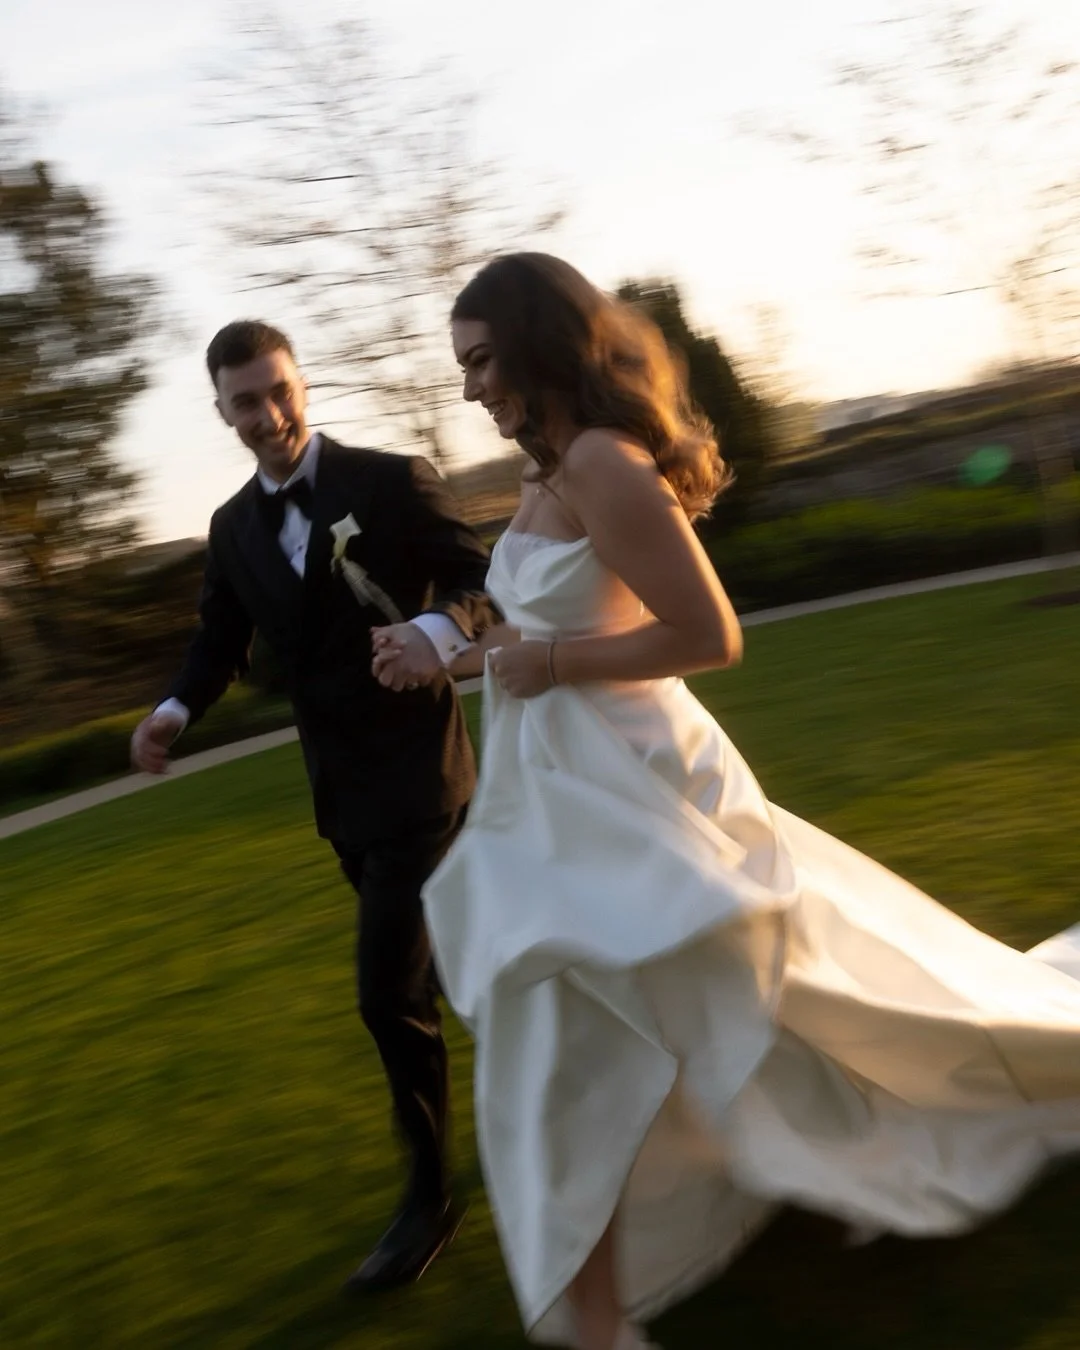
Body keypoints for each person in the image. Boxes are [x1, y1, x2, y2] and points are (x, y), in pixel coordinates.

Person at [378, 254, 1080, 1350]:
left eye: (477, 360)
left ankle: (610, 1308)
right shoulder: (541, 472)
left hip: (642, 788)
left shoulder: (609, 464)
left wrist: (551, 664)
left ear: (531, 346)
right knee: (569, 1017)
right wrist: (452, 659)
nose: (468, 385)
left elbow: (711, 636)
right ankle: (607, 1303)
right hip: (553, 790)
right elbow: (529, 633)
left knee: (743, 1002)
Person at [130, 320, 499, 1293]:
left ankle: (429, 1200)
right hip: (342, 800)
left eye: (280, 390)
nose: (270, 414)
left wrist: (431, 629)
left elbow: (477, 579)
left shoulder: (388, 481)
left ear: (302, 384)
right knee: (464, 973)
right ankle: (563, 1107)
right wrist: (172, 709)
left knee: (388, 993)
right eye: (246, 401)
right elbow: (220, 639)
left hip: (424, 777)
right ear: (221, 412)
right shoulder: (231, 530)